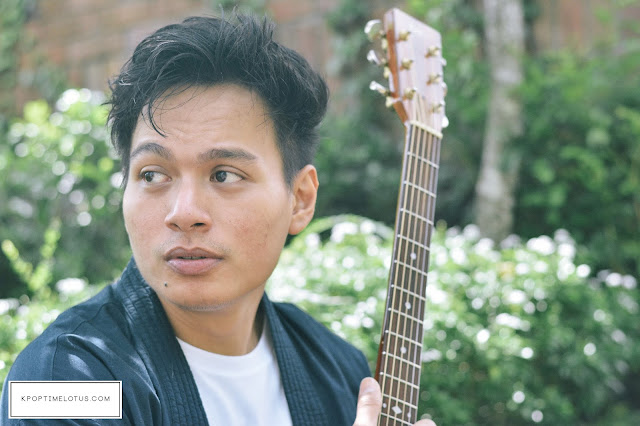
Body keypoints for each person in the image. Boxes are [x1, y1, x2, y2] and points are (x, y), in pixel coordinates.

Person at [0, 14, 436, 426]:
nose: (184, 213)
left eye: (224, 174)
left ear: (300, 200)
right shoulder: (62, 381)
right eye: (152, 175)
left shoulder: (338, 369)